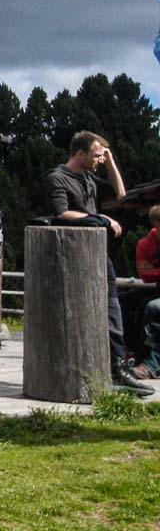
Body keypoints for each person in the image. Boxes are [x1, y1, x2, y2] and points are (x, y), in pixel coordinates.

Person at [44, 130, 153, 395]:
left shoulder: (89, 178)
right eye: (96, 155)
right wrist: (102, 219)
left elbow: (121, 193)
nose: (99, 160)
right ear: (79, 154)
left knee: (112, 312)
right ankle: (85, 375)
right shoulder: (57, 177)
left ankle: (117, 371)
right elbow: (61, 213)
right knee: (80, 317)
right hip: (72, 258)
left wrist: (111, 161)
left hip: (98, 255)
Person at [127, 204, 160, 379]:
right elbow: (145, 275)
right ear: (156, 224)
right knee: (125, 302)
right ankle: (132, 352)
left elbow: (150, 272)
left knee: (154, 308)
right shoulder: (145, 244)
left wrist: (155, 271)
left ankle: (151, 364)